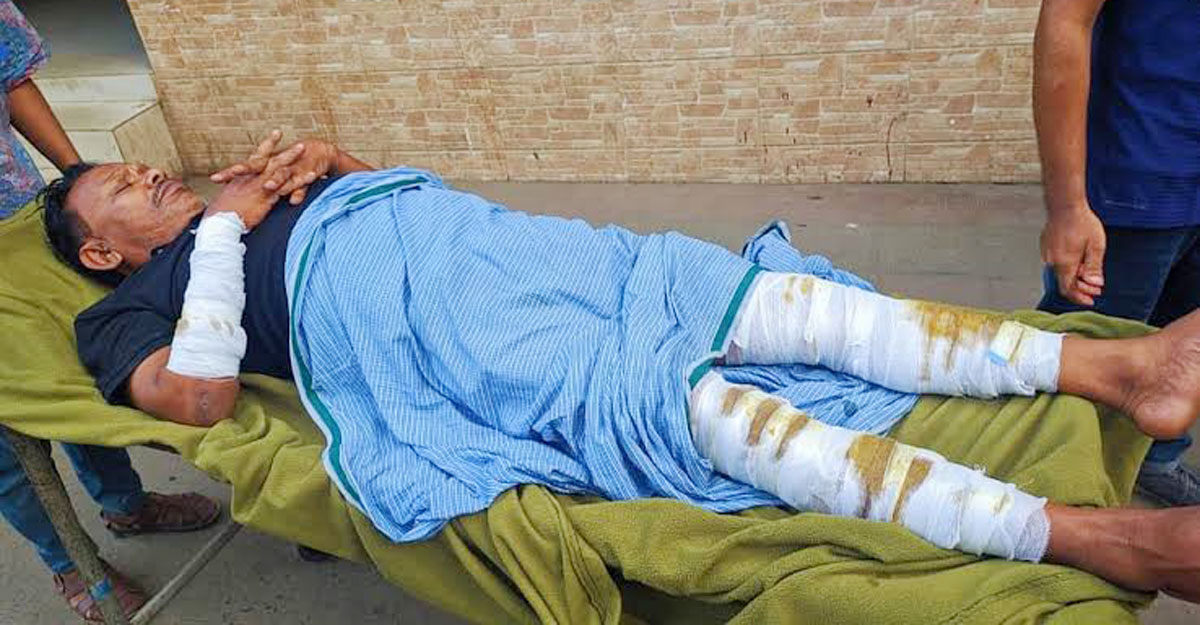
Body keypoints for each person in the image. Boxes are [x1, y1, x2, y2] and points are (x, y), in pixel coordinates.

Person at [39, 130, 1200, 603]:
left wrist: (339, 165)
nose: (150, 177)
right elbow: (198, 394)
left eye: (141, 167)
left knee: (749, 295)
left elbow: (399, 197)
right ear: (100, 252)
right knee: (665, 401)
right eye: (122, 190)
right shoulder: (130, 312)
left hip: (489, 244)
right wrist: (228, 227)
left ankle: (1120, 370)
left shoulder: (244, 194)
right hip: (421, 324)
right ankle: (1079, 534)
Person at [0, 2, 220, 621]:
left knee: (85, 372)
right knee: (10, 435)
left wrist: (81, 181)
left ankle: (126, 502)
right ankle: (72, 564)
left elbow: (12, 76)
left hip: (23, 223)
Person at [1033, 0, 1200, 506]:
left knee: (1181, 358)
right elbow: (1066, 21)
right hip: (1134, 177)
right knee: (1076, 354)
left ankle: (1154, 460)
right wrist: (1068, 206)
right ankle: (1033, 488)